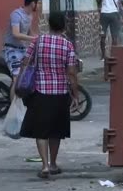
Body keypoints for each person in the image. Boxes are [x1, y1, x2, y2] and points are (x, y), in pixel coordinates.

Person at [19, 11, 79, 179]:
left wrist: (20, 82)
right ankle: (53, 164)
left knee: (41, 131)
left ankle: (44, 166)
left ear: (49, 24)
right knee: (56, 131)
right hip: (60, 93)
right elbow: (72, 73)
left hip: (40, 91)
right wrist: (75, 94)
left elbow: (25, 61)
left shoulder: (38, 41)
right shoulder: (67, 45)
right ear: (64, 26)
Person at [2, 0, 41, 98]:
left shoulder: (30, 16)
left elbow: (29, 33)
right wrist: (33, 38)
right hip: (12, 50)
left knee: (31, 73)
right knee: (17, 78)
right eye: (39, 2)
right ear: (33, 3)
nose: (40, 5)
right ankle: (13, 108)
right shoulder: (16, 14)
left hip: (23, 50)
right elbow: (16, 34)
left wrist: (39, 39)